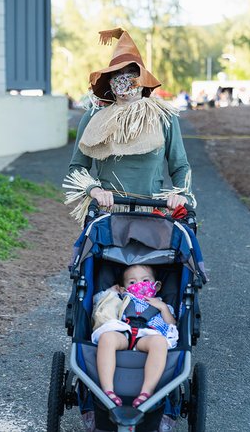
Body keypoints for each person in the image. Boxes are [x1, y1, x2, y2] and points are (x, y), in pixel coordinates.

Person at [63, 28, 196, 227]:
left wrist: (181, 194)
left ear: (143, 78)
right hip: (107, 213)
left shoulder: (163, 116)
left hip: (152, 213)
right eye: (118, 73)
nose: (124, 78)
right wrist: (94, 190)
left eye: (131, 73)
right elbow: (77, 168)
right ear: (109, 80)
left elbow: (180, 166)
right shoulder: (94, 117)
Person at [91, 264, 178, 408]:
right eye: (132, 282)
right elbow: (100, 302)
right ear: (124, 288)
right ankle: (107, 390)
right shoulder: (122, 297)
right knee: (107, 338)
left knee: (159, 342)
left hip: (148, 336)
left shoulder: (162, 304)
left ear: (156, 286)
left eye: (145, 281)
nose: (139, 285)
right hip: (123, 332)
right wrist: (114, 291)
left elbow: (172, 324)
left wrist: (162, 308)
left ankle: (146, 392)